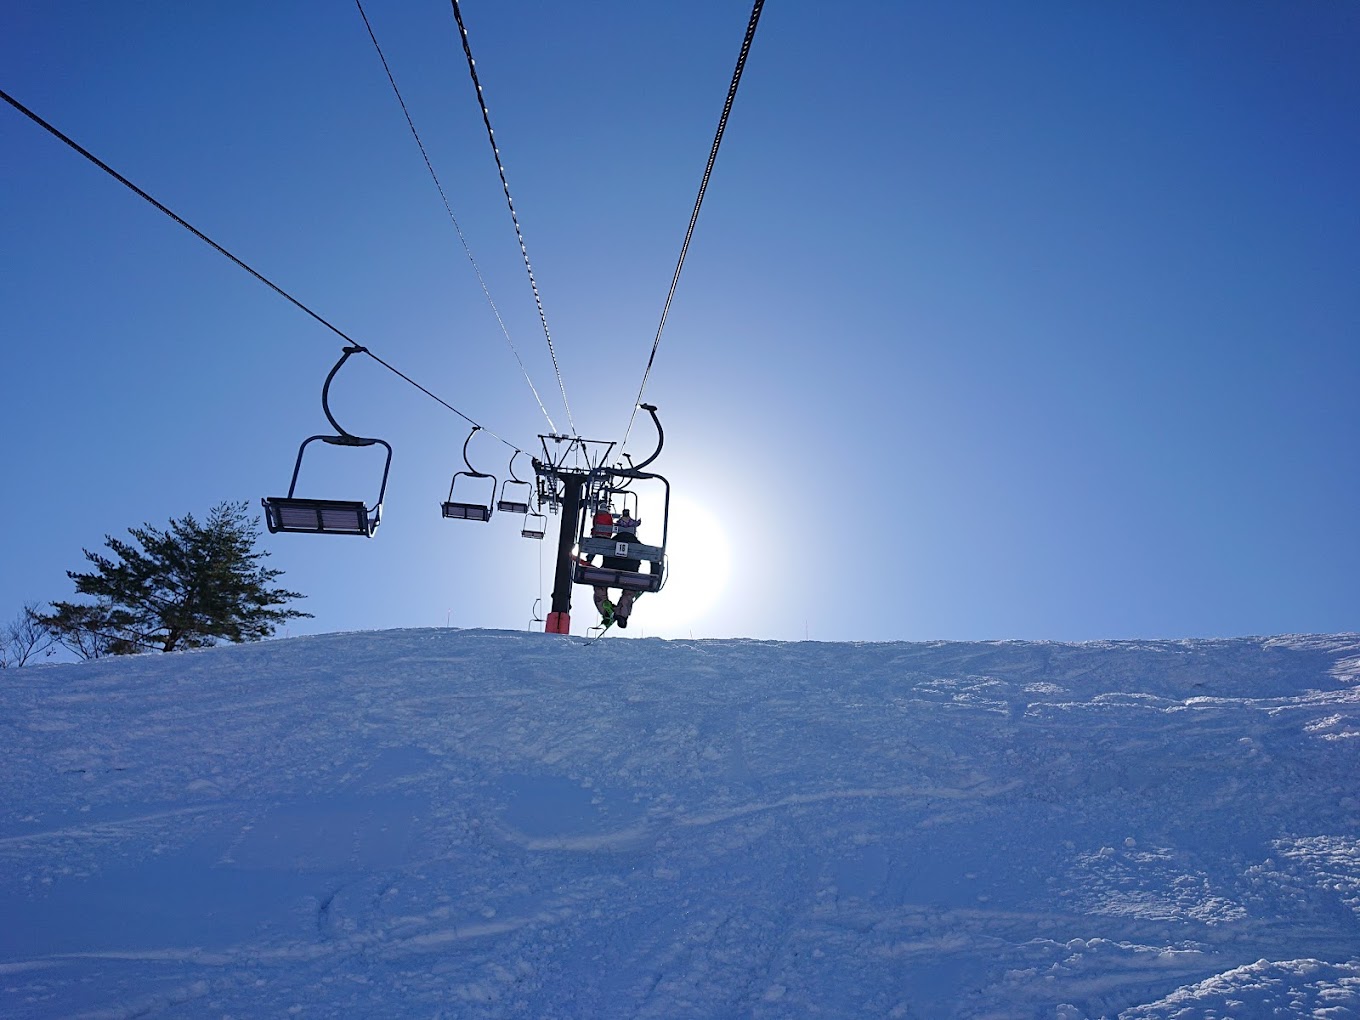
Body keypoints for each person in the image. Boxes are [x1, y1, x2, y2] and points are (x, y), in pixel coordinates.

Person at [590, 512, 644, 628]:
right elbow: (653, 558)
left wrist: (588, 560)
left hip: (608, 572)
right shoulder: (638, 545)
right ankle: (622, 614)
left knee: (599, 586)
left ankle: (605, 610)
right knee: (629, 592)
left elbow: (594, 548)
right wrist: (654, 573)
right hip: (630, 575)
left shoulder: (610, 542)